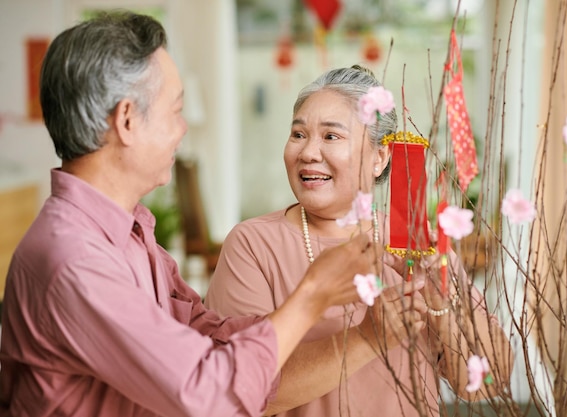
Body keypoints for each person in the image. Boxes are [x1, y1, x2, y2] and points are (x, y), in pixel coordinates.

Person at [0, 13, 384, 417]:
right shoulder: (75, 260)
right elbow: (208, 396)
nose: (182, 129)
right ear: (127, 121)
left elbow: (201, 329)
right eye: (175, 110)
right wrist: (310, 298)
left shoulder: (128, 232)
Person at [205, 65, 513, 416]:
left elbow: (491, 380)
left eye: (331, 137)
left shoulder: (418, 245)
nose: (308, 152)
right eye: (298, 134)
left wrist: (442, 305)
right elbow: (237, 391)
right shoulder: (253, 245)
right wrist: (369, 337)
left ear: (380, 157)